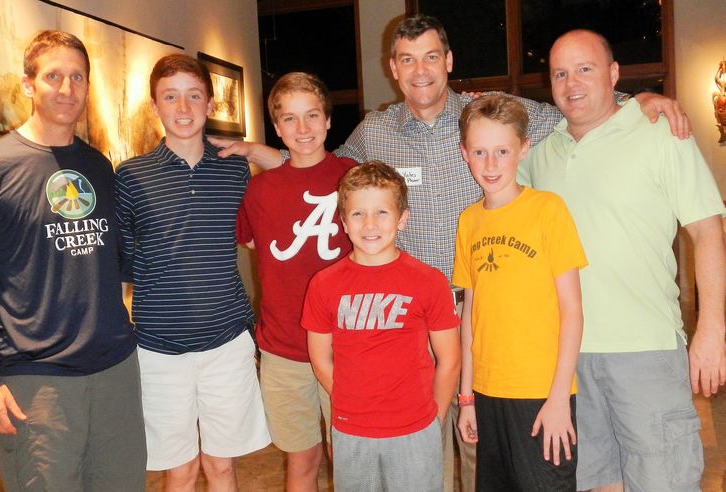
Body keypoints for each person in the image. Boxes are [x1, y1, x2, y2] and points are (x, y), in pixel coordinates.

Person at [211, 15, 689, 491]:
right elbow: (318, 166)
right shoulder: (374, 132)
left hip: (482, 325)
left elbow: (578, 107)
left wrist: (638, 99)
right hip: (407, 326)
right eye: (407, 59)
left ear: (449, 61)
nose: (421, 70)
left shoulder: (490, 114)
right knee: (422, 461)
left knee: (483, 459)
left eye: (431, 57)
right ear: (393, 69)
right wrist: (258, 152)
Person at [519, 29, 726, 492]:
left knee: (664, 481)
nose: (571, 82)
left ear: (614, 74)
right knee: (596, 483)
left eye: (585, 69)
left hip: (645, 350)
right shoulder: (539, 153)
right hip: (567, 355)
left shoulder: (660, 132)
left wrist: (711, 329)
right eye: (560, 73)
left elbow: (708, 231)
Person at [0, 30, 146, 490]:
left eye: (77, 77)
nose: (66, 88)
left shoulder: (99, 165)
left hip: (116, 370)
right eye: (53, 76)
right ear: (28, 84)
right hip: (36, 380)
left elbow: (117, 260)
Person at [115, 54, 270, 491]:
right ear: (154, 106)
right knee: (178, 471)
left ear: (209, 104)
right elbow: (120, 264)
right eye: (170, 97)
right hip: (159, 348)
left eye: (193, 96)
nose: (183, 109)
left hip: (227, 342)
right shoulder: (130, 177)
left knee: (222, 467)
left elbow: (294, 172)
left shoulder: (235, 168)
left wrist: (255, 149)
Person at [453, 95, 587, 490]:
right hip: (487, 392)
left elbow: (573, 311)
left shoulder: (548, 209)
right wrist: (467, 399)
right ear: (464, 153)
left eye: (502, 151)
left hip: (542, 393)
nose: (490, 164)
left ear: (523, 149)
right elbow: (470, 316)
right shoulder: (469, 220)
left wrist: (559, 397)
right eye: (479, 151)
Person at [302, 161, 461, 492]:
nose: (370, 224)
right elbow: (320, 359)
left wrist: (435, 419)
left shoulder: (428, 281)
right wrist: (352, 400)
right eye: (358, 214)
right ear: (343, 221)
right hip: (351, 428)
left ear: (402, 219)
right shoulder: (323, 285)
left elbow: (450, 359)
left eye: (382, 213)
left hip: (416, 428)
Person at [236, 72, 356, 491]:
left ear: (327, 121)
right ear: (277, 127)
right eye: (290, 119)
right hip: (284, 349)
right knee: (301, 460)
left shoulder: (352, 177)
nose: (301, 129)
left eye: (311, 116)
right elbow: (252, 244)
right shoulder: (258, 191)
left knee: (349, 458)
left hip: (348, 346)